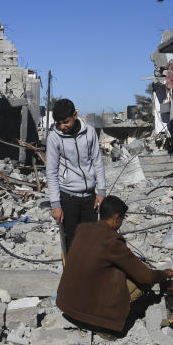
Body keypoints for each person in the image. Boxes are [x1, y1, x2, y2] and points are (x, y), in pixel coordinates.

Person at [56, 196, 173, 334]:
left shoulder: (83, 229)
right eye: (122, 219)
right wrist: (165, 273)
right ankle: (105, 324)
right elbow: (145, 276)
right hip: (88, 316)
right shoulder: (112, 241)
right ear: (117, 217)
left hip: (66, 304)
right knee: (137, 283)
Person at [46, 98, 106, 253]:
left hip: (90, 198)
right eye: (58, 123)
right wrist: (55, 204)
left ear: (75, 114)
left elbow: (98, 162)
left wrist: (101, 191)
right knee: (71, 243)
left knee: (91, 241)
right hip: (68, 197)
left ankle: (90, 275)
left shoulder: (90, 132)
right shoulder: (54, 138)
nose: (62, 126)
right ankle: (73, 276)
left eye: (65, 122)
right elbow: (51, 172)